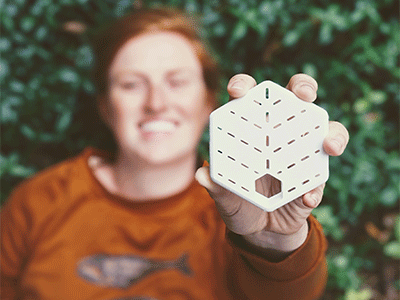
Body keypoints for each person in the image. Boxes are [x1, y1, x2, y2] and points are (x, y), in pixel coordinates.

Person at [1, 7, 349, 300]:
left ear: (208, 102)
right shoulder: (40, 201)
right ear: (106, 107)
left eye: (177, 81)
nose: (156, 102)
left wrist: (274, 240)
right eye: (131, 84)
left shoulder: (238, 207)